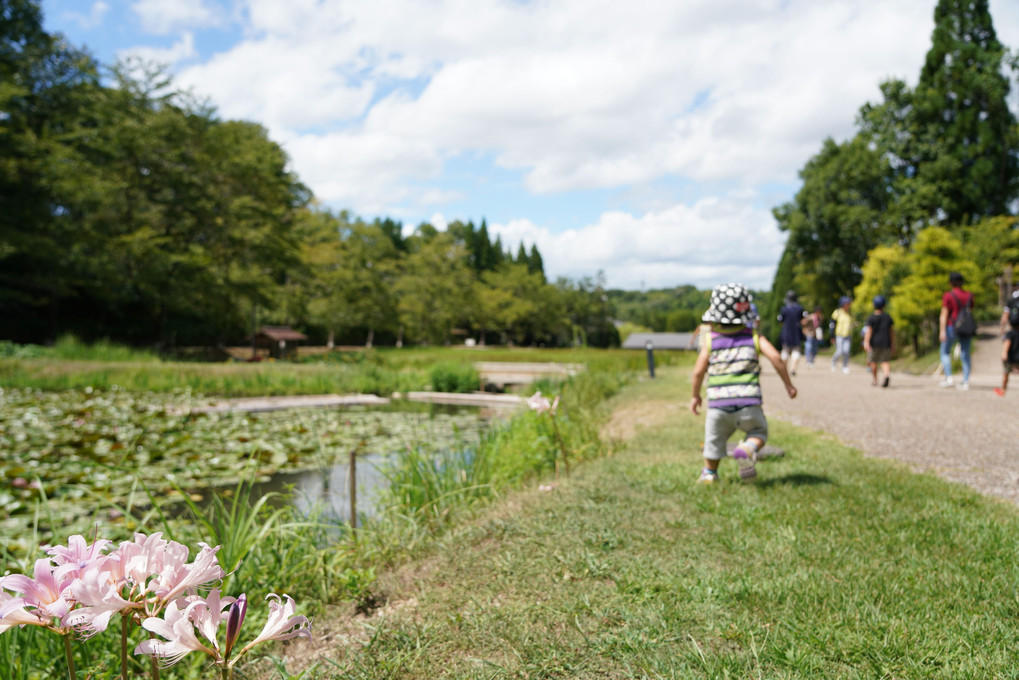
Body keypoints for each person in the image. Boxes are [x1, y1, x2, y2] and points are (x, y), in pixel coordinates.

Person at [690, 283, 797, 484]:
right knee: (758, 432)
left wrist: (696, 396)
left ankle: (709, 474)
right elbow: (776, 358)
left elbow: (698, 372)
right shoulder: (754, 337)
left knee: (713, 441)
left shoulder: (711, 340)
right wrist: (788, 385)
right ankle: (747, 449)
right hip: (749, 403)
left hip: (718, 405)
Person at [939, 271, 974, 389]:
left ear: (951, 283)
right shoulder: (969, 295)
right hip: (966, 327)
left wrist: (942, 330)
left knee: (945, 351)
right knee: (965, 353)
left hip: (951, 326)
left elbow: (944, 313)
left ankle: (949, 378)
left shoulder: (948, 295)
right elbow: (970, 312)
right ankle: (965, 380)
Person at [863, 295, 895, 388]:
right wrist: (892, 343)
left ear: (873, 305)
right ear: (884, 305)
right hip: (886, 342)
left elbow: (869, 331)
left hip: (874, 343)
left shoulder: (871, 318)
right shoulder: (888, 317)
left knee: (873, 362)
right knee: (885, 361)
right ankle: (886, 375)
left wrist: (866, 342)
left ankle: (875, 380)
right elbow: (891, 332)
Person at [777, 290, 806, 375]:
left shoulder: (784, 309)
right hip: (796, 331)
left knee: (785, 351)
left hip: (786, 331)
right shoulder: (800, 308)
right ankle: (793, 368)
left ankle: (784, 369)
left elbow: (780, 320)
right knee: (796, 350)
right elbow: (803, 320)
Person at [995, 309, 1019, 396]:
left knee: (1006, 373)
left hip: (1011, 358)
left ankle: (1003, 389)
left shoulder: (1010, 333)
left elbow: (1007, 343)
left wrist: (1004, 353)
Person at [830, 296, 853, 374]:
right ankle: (833, 362)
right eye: (847, 303)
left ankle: (845, 366)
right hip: (839, 335)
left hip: (848, 335)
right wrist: (832, 336)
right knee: (839, 351)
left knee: (846, 351)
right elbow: (832, 324)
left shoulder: (849, 313)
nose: (848, 305)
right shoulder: (837, 312)